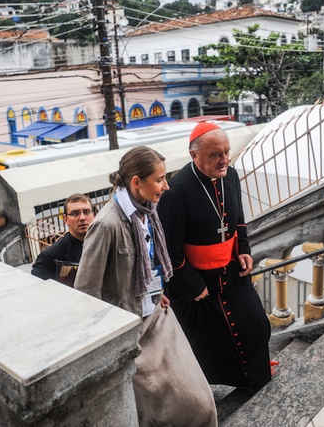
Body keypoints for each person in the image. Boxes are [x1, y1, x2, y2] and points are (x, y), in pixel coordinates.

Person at [74, 146, 217, 427]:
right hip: (131, 332)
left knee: (199, 398)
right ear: (136, 182)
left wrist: (158, 290)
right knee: (169, 407)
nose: (166, 186)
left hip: (158, 315)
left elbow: (149, 263)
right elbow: (85, 293)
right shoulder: (106, 225)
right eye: (159, 179)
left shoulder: (148, 211)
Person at [157, 122, 272, 392]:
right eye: (215, 155)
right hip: (198, 283)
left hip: (231, 273)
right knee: (206, 344)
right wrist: (193, 286)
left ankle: (256, 379)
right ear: (194, 155)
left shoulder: (231, 176)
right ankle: (214, 391)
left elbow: (239, 221)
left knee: (256, 325)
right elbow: (168, 249)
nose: (224, 160)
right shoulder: (176, 192)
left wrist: (244, 250)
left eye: (226, 152)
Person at [31, 193, 94, 286]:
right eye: (75, 213)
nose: (82, 218)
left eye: (86, 212)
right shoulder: (49, 257)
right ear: (66, 219)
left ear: (94, 215)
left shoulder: (105, 244)